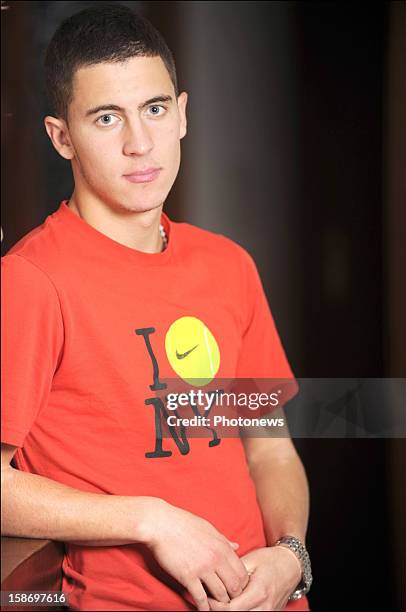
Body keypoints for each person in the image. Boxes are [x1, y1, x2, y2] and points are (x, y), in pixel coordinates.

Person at [1, 4, 312, 611]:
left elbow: (269, 447)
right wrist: (152, 520)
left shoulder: (229, 265)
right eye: (106, 117)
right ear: (61, 137)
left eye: (155, 109)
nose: (139, 143)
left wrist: (290, 557)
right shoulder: (30, 281)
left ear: (183, 115)